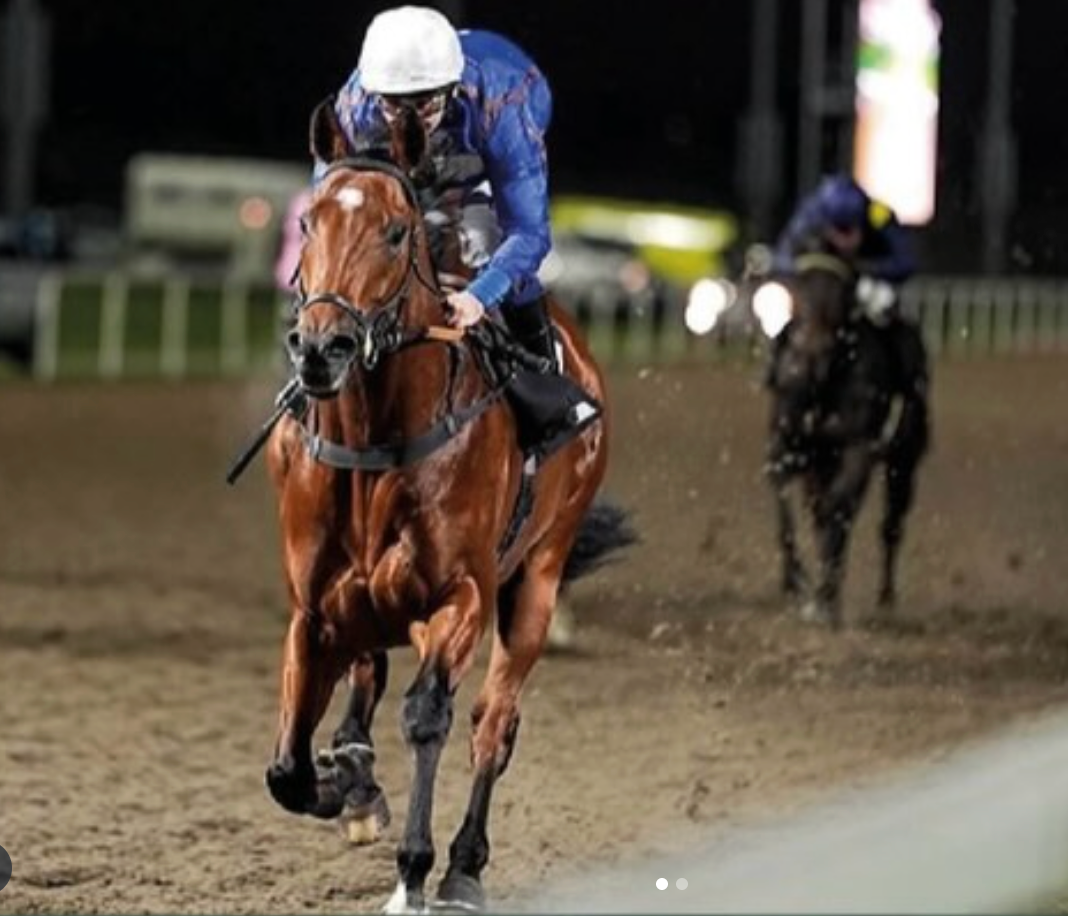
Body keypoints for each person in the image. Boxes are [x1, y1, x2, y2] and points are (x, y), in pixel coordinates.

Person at [320, 5, 559, 371]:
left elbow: (528, 232)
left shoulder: (501, 105)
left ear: (452, 89)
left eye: (424, 103)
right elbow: (329, 213)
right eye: (395, 105)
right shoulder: (355, 108)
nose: (409, 119)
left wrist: (480, 297)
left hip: (494, 127)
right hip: (431, 142)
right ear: (374, 94)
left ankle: (548, 376)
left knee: (482, 238)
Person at [769, 173, 929, 430]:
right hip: (823, 283)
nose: (844, 238)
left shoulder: (878, 214)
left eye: (849, 228)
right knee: (789, 322)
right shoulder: (811, 213)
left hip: (866, 284)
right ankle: (775, 378)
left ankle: (909, 400)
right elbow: (783, 256)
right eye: (837, 228)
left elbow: (906, 260)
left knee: (900, 331)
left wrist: (869, 269)